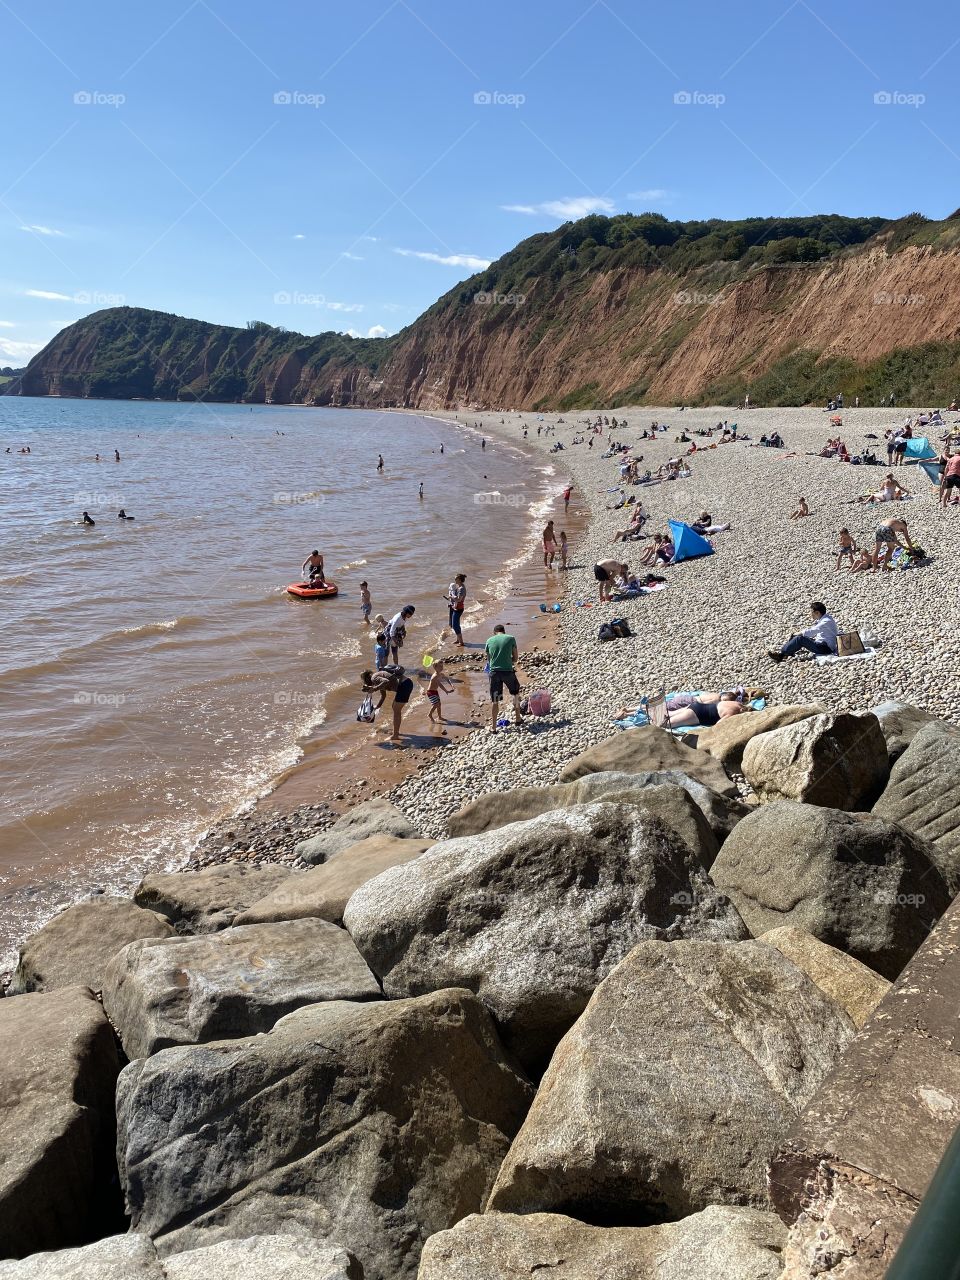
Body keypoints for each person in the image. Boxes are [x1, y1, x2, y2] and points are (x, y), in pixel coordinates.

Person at [768, 602, 838, 662]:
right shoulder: (826, 618)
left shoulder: (825, 622)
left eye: (812, 612)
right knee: (797, 636)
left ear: (817, 612)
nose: (810, 614)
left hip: (825, 648)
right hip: (823, 644)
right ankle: (785, 653)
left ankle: (782, 655)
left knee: (799, 639)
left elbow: (812, 632)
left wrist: (800, 633)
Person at [360, 665, 414, 743]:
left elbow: (386, 681)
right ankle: (396, 732)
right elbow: (383, 696)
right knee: (395, 708)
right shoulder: (377, 679)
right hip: (406, 684)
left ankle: (395, 735)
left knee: (396, 710)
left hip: (404, 685)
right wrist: (376, 708)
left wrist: (375, 689)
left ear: (367, 679)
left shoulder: (374, 678)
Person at [484, 623, 522, 731]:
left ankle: (494, 727)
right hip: (507, 672)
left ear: (494, 632)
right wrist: (508, 660)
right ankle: (518, 719)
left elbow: (489, 661)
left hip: (494, 673)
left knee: (495, 700)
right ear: (504, 631)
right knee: (515, 694)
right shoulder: (511, 638)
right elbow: (515, 658)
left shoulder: (489, 640)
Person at [426, 659, 453, 735]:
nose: (441, 667)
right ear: (435, 667)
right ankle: (430, 714)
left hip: (435, 691)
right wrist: (446, 691)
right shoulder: (435, 676)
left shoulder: (441, 674)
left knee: (439, 704)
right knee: (436, 704)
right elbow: (440, 685)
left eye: (442, 666)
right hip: (430, 692)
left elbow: (447, 679)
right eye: (439, 666)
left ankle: (439, 717)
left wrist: (451, 685)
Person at [446, 573, 466, 647]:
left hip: (458, 608)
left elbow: (459, 599)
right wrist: (451, 603)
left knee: (455, 625)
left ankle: (461, 642)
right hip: (455, 607)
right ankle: (458, 640)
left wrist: (451, 596)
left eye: (456, 579)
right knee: (456, 624)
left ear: (460, 580)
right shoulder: (459, 587)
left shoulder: (462, 589)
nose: (454, 580)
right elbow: (456, 599)